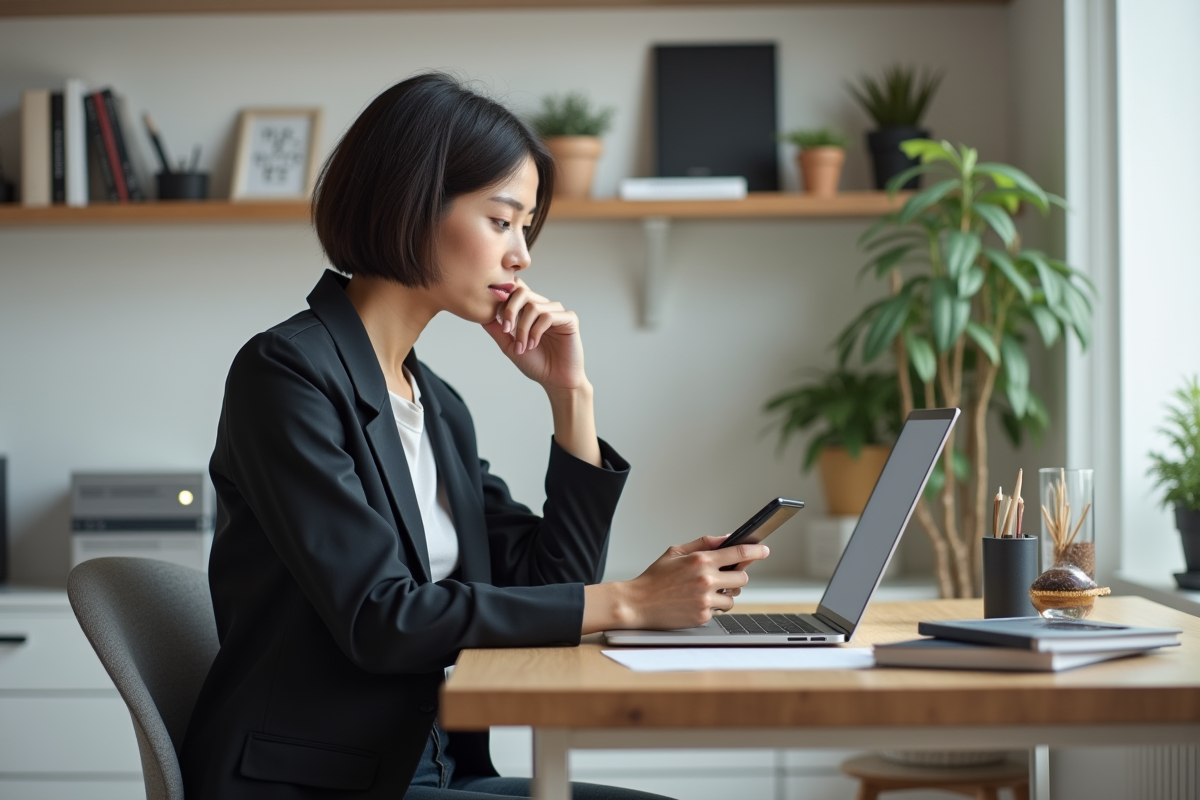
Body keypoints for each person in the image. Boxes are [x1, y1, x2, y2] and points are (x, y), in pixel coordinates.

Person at [179, 72, 769, 800]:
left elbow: (550, 587)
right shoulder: (286, 374)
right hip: (311, 779)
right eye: (501, 221)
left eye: (526, 227)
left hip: (430, 767)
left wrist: (570, 397)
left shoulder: (436, 405)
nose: (522, 255)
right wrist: (631, 602)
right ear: (411, 203)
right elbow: (380, 617)